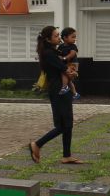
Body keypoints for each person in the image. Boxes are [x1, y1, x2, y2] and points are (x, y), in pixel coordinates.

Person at [28, 26, 82, 165]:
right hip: (59, 90)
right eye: (56, 36)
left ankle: (66, 155)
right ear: (48, 39)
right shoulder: (48, 53)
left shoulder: (52, 51)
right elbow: (65, 68)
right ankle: (37, 144)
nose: (59, 38)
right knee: (63, 125)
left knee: (66, 124)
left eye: (59, 35)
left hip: (59, 89)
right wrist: (72, 72)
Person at [56, 28, 80, 99]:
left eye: (75, 37)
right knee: (68, 80)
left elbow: (72, 54)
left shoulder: (73, 46)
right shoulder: (61, 46)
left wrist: (63, 58)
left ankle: (64, 87)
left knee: (64, 73)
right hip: (67, 64)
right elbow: (58, 54)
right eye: (72, 37)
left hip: (72, 63)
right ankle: (75, 93)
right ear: (65, 38)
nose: (74, 39)